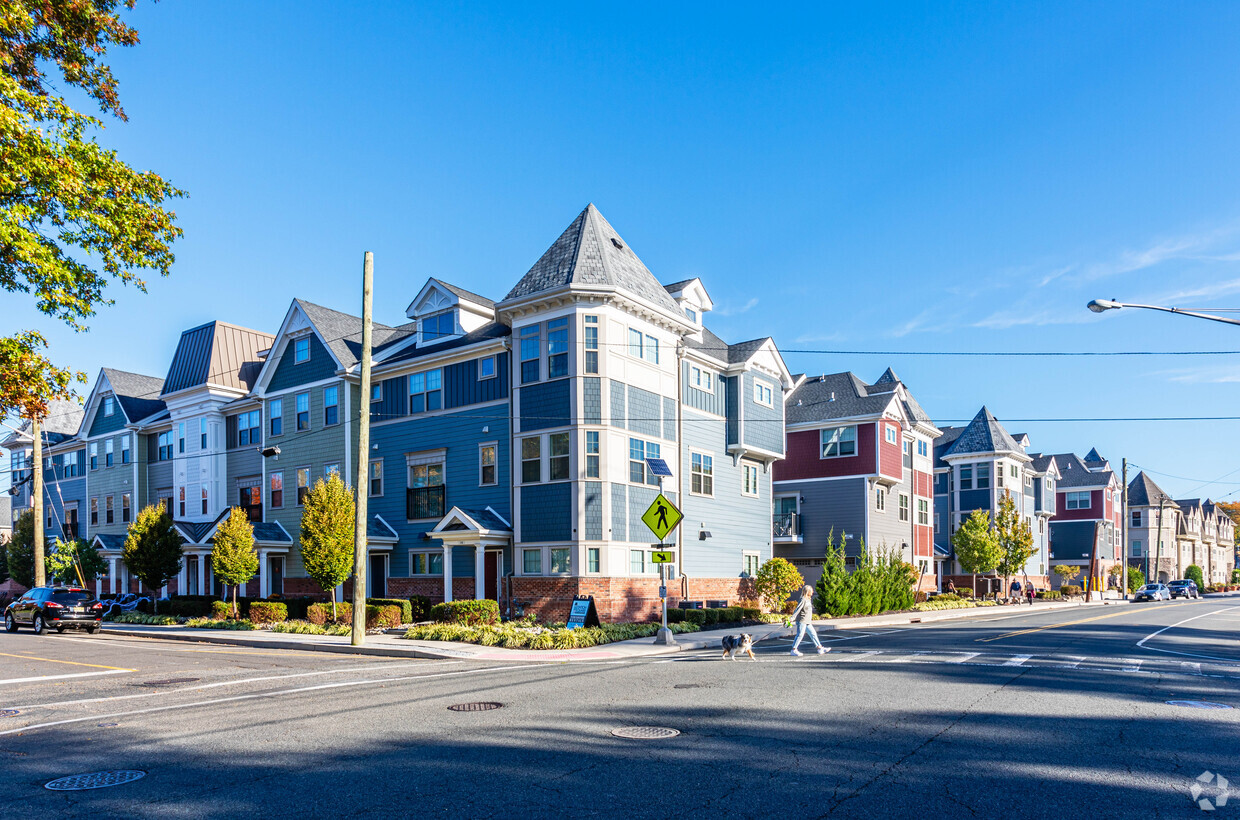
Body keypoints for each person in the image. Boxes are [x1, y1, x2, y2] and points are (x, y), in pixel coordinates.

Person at [789, 585, 829, 657]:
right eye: (811, 591)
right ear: (808, 591)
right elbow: (798, 609)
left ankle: (819, 648)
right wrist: (792, 617)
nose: (813, 592)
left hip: (807, 621)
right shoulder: (803, 599)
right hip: (802, 621)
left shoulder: (808, 599)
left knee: (813, 634)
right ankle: (793, 650)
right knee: (800, 635)